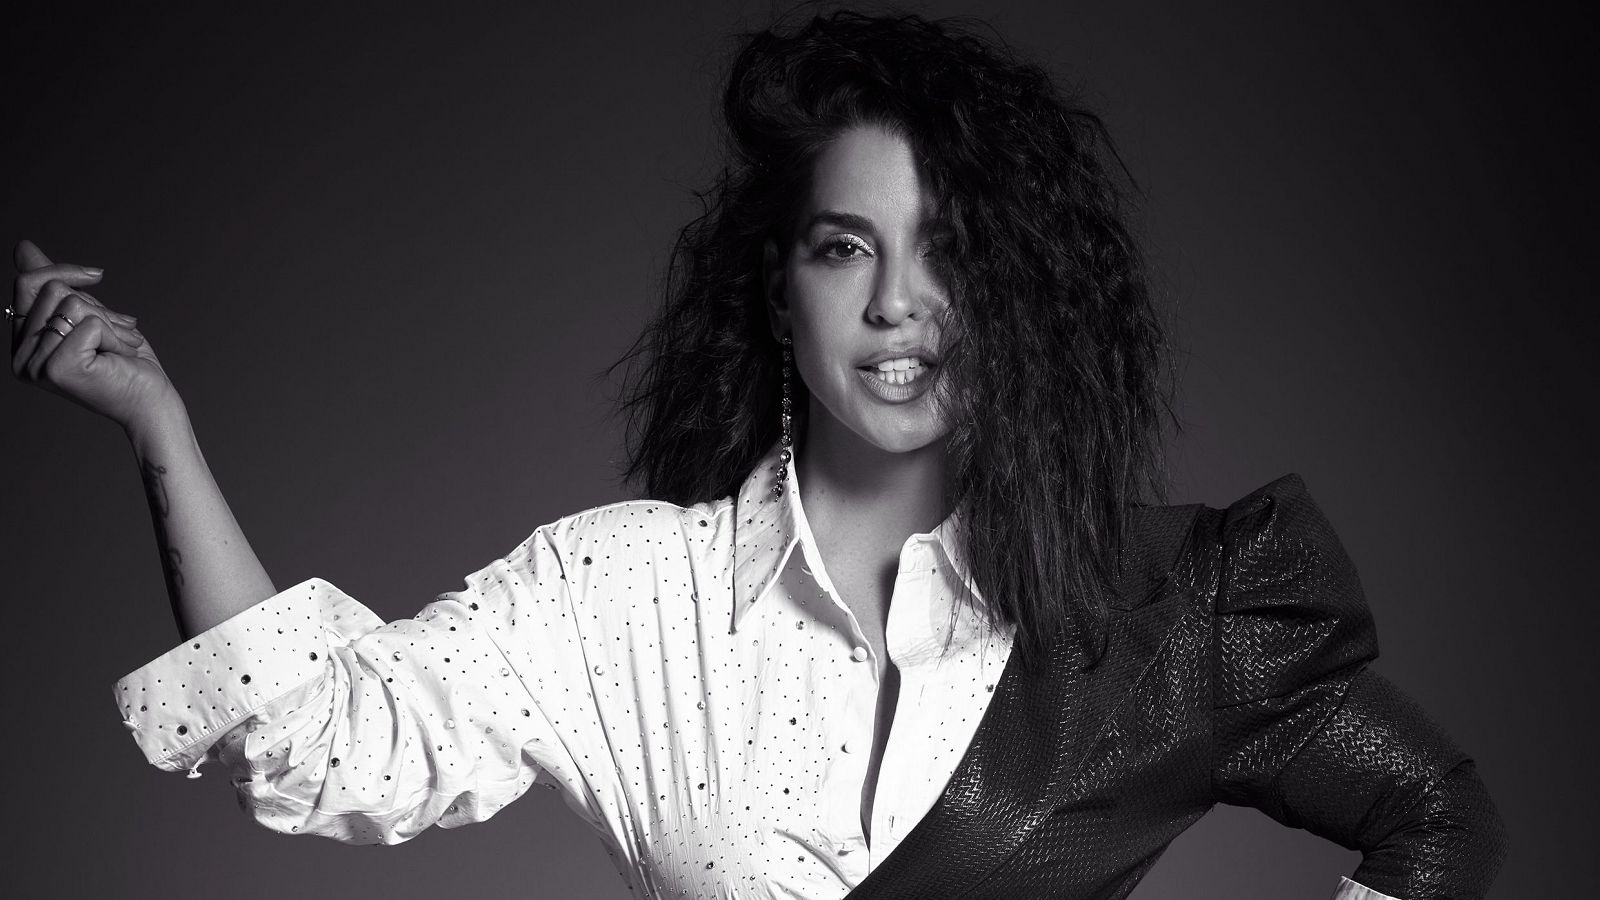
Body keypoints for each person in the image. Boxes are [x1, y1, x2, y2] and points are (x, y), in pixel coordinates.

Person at [8, 8, 1505, 899]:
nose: (902, 304)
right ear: (777, 288)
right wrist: (161, 430)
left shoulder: (1157, 613)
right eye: (847, 249)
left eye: (954, 256)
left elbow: (1434, 808)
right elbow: (322, 735)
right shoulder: (621, 599)